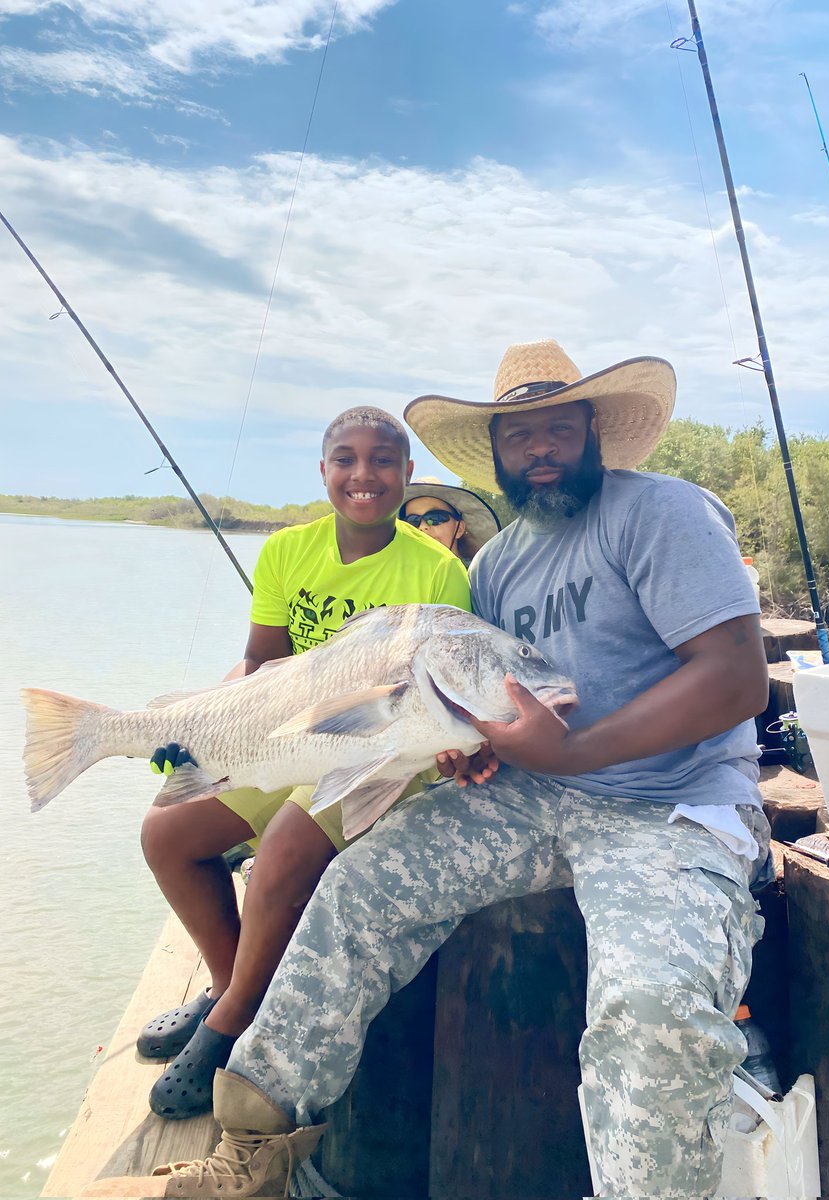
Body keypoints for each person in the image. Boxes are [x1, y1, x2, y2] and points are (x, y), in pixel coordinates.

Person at [86, 341, 771, 1200]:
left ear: (594, 431)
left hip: (669, 808)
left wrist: (571, 751)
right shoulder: (496, 565)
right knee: (354, 893)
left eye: (559, 428)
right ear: (497, 452)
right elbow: (487, 707)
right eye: (520, 435)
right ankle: (255, 1149)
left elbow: (736, 676)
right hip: (530, 797)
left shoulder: (660, 512)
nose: (541, 449)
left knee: (654, 1004)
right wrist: (470, 750)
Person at [135, 405, 470, 1121]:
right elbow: (261, 664)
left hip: (382, 751)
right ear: (323, 471)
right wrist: (199, 726)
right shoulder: (287, 551)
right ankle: (230, 986)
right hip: (289, 735)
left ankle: (231, 1026)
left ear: (407, 474)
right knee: (166, 833)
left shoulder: (440, 572)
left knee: (286, 847)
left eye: (383, 460)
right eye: (345, 459)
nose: (363, 474)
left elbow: (441, 691)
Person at [399, 475, 501, 564]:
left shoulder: (480, 577)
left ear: (459, 529)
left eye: (435, 517)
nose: (422, 526)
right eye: (412, 521)